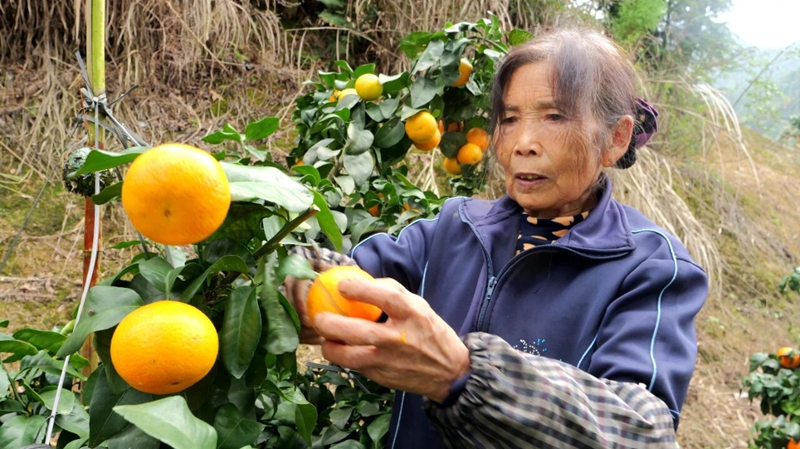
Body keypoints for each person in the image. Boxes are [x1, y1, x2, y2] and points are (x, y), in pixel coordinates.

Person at [287, 27, 707, 449]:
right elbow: (348, 276)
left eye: (555, 117)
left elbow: (643, 431)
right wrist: (299, 284)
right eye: (509, 119)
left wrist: (462, 375)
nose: (523, 143)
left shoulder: (649, 267)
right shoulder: (454, 228)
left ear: (615, 139)